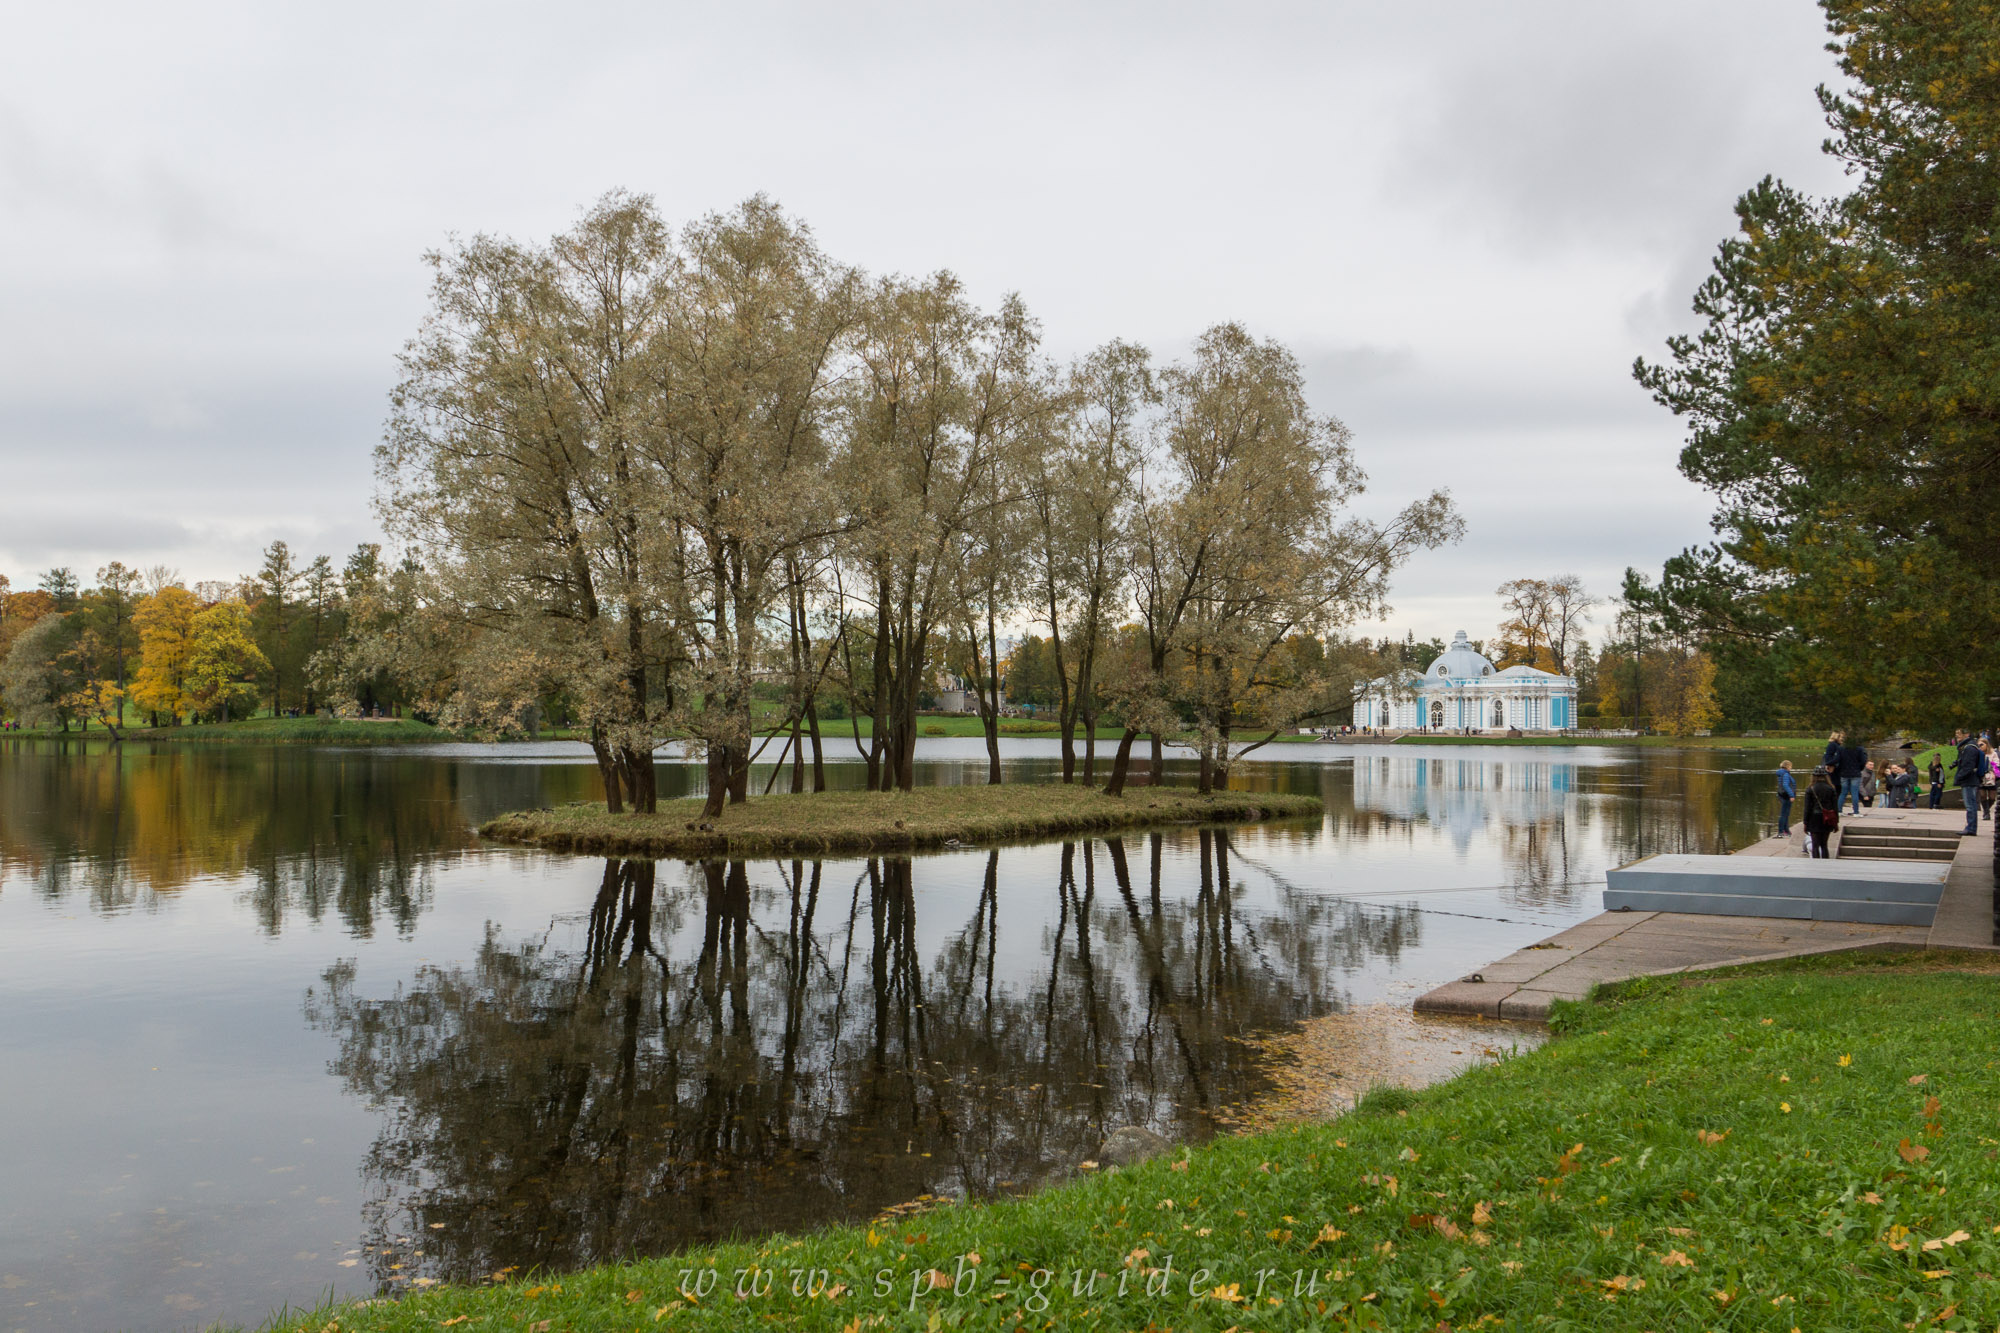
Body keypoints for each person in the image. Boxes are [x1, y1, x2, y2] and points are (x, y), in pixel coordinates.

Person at [1803, 766, 1839, 859]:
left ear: (1813, 776)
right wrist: (1836, 822)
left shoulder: (1810, 789)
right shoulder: (1831, 788)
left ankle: (1816, 866)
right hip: (1827, 818)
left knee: (1815, 845)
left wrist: (1805, 822)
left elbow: (1807, 808)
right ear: (1826, 776)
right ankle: (1826, 865)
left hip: (1814, 818)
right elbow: (1835, 807)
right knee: (1824, 845)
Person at [1955, 730, 1986, 836]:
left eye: (1959, 734)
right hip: (1971, 779)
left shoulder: (1969, 748)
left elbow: (1968, 765)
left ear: (1967, 734)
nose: (1957, 736)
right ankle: (1970, 827)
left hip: (1969, 780)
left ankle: (1971, 828)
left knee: (1970, 805)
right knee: (1971, 804)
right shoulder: (1970, 746)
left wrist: (1959, 777)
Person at [1837, 737, 1868, 815]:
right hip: (1855, 773)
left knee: (1843, 793)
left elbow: (1838, 760)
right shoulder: (1859, 749)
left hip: (1844, 773)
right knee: (1854, 792)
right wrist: (1859, 768)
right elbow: (1863, 761)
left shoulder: (1841, 749)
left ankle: (1839, 811)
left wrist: (1840, 769)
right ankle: (1856, 812)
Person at [1776, 759, 1796, 836]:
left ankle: (1786, 830)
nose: (1791, 768)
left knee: (1786, 813)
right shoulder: (1786, 774)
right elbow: (1785, 785)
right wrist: (1791, 795)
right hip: (1786, 796)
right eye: (1791, 766)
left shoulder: (1782, 774)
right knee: (1784, 814)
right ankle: (1781, 831)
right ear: (1787, 766)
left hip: (1782, 795)